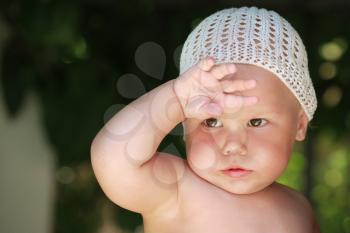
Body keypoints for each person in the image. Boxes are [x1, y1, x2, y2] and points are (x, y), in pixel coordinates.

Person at [90, 6, 321, 232]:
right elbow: (113, 160)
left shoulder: (299, 210)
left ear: (299, 125)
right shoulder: (175, 191)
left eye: (256, 122)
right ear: (184, 122)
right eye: (211, 122)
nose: (232, 145)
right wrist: (176, 99)